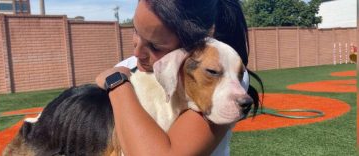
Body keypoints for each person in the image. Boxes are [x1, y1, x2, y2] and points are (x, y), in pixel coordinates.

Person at [96, 0, 262, 155]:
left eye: (155, 46)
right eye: (136, 31)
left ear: (202, 38)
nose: (137, 53)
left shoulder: (223, 77)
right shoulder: (128, 65)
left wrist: (117, 85)